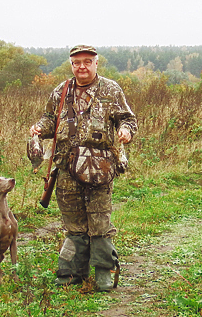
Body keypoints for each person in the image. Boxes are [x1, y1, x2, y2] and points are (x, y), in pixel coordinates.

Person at [29, 45, 138, 291]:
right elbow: (49, 119)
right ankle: (70, 275)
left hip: (100, 167)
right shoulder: (61, 91)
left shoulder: (111, 89)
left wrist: (126, 131)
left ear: (96, 64)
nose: (82, 67)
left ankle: (103, 275)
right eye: (77, 62)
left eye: (87, 62)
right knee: (74, 224)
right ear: (71, 65)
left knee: (99, 222)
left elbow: (128, 118)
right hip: (66, 168)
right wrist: (39, 128)